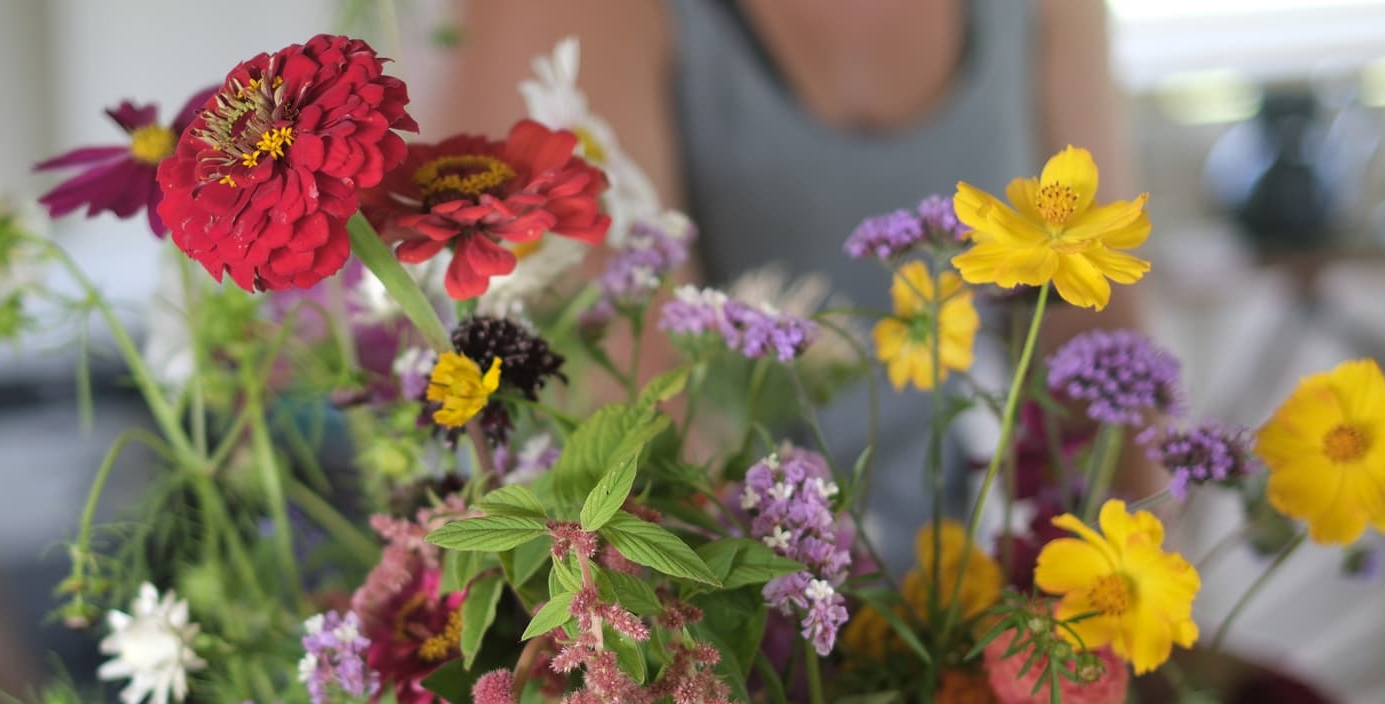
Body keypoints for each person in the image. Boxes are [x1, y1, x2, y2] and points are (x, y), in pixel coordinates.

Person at [433, 0, 1153, 538]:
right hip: (720, 593)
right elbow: (637, 407)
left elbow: (1096, 322)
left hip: (949, 593)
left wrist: (1114, 599)